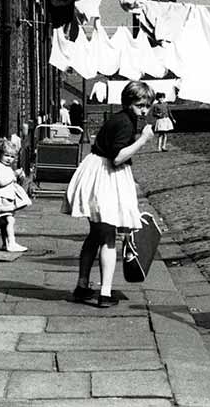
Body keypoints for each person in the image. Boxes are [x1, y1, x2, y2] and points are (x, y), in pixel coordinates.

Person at [62, 80, 155, 307]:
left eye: (147, 106)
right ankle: (104, 293)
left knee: (95, 235)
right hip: (105, 177)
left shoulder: (122, 119)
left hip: (98, 173)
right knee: (108, 237)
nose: (143, 110)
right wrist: (143, 139)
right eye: (139, 105)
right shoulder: (125, 123)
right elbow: (118, 157)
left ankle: (82, 286)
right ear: (128, 103)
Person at [0, 138, 32, 252]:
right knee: (10, 221)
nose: (9, 159)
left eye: (12, 157)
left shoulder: (6, 167)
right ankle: (11, 243)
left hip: (6, 198)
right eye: (6, 155)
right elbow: (1, 181)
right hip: (2, 199)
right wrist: (14, 175)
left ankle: (6, 243)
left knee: (5, 222)